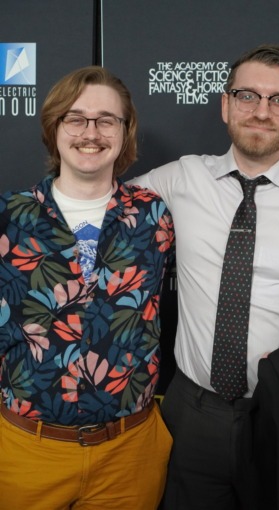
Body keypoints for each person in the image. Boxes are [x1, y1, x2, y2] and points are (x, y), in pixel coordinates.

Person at [132, 44, 279, 509]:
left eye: (278, 100)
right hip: (191, 411)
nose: (261, 112)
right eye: (247, 96)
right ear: (226, 104)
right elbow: (98, 204)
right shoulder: (180, 178)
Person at [0, 66, 175, 510]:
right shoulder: (10, 216)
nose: (90, 132)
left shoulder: (153, 214)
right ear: (54, 127)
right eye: (75, 118)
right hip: (26, 449)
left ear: (125, 130)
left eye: (106, 120)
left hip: (129, 451)